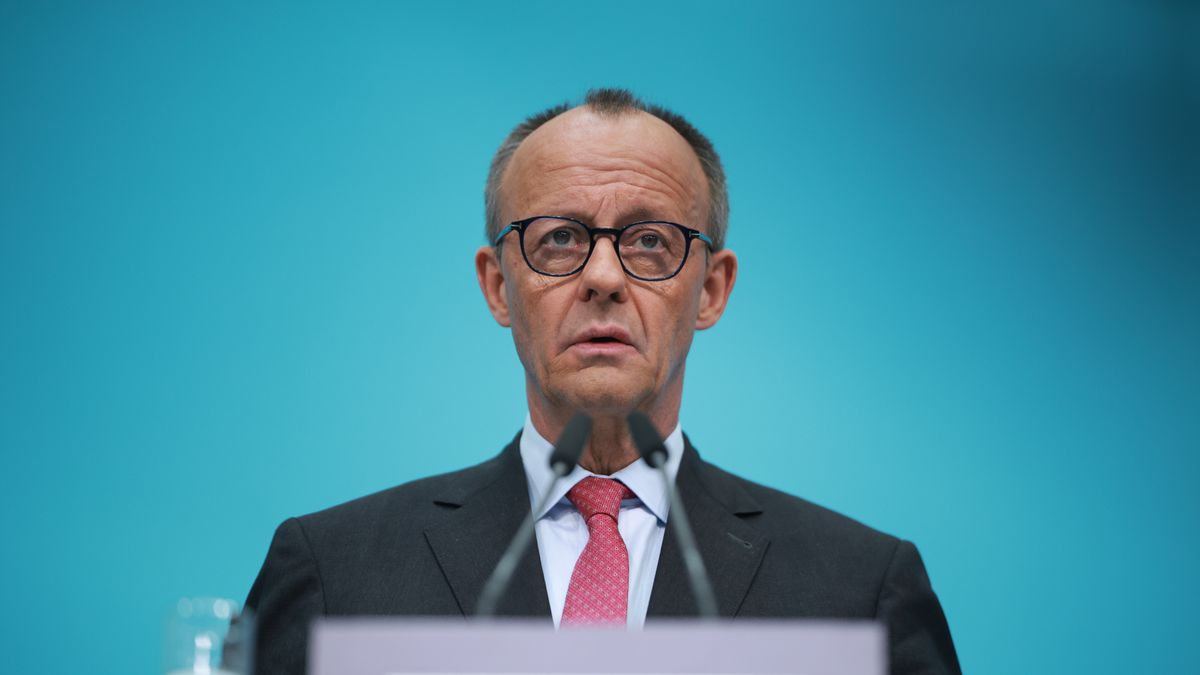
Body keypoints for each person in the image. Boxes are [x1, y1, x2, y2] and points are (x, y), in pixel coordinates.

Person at [243, 88, 961, 675]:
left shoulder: (860, 588)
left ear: (711, 289)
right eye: (559, 237)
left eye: (651, 241)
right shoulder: (335, 571)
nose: (605, 278)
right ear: (498, 286)